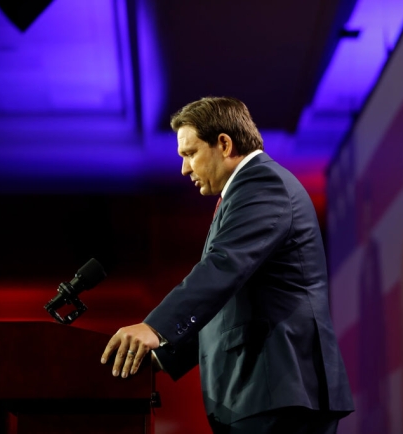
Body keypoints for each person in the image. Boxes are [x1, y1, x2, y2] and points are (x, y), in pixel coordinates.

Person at [101, 96, 354, 433]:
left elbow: (222, 267)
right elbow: (225, 299)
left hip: (280, 392)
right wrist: (162, 355)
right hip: (265, 395)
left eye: (190, 154)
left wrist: (155, 328)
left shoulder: (263, 185)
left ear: (223, 143)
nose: (184, 168)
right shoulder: (245, 193)